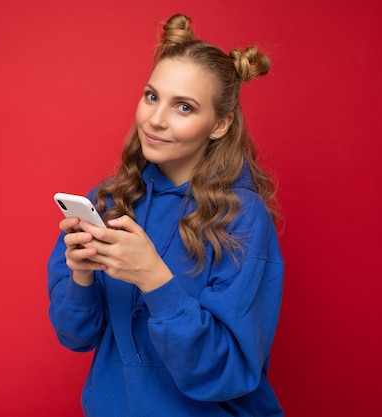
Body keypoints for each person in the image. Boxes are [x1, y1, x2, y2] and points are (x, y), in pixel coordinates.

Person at [48, 13, 284, 417]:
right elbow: (76, 335)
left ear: (220, 124)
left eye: (184, 107)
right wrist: (82, 275)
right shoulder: (106, 202)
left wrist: (154, 278)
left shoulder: (243, 219)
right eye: (152, 96)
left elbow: (228, 373)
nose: (155, 119)